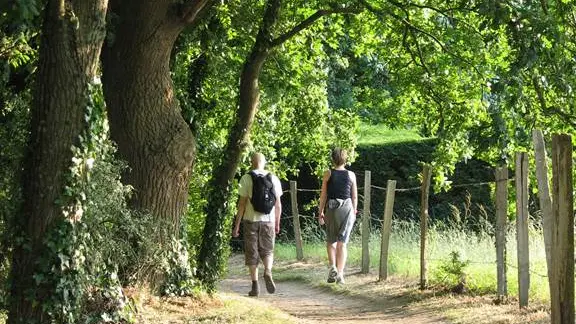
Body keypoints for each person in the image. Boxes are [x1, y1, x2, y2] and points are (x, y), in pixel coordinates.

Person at [232, 153, 282, 297]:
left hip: (250, 221)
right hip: (269, 221)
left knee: (252, 253)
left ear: (251, 162)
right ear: (264, 162)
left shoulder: (246, 178)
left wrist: (236, 226)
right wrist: (277, 223)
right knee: (267, 250)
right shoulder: (274, 178)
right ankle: (268, 270)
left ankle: (255, 287)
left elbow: (241, 205)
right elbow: (278, 205)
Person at [317, 148, 358, 284]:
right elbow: (354, 196)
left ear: (332, 159)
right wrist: (354, 211)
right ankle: (340, 274)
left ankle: (332, 266)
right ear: (345, 159)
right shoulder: (351, 175)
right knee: (342, 243)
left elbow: (324, 195)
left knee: (331, 240)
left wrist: (321, 211)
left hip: (332, 207)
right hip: (346, 207)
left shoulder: (328, 173)